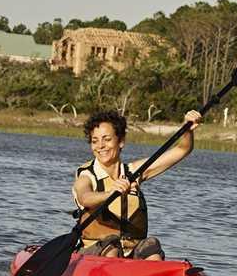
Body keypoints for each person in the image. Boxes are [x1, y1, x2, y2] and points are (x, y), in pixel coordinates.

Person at [72, 109, 202, 260]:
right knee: (111, 247)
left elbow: (182, 149)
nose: (100, 146)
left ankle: (155, 273)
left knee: (152, 247)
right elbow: (85, 198)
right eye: (95, 141)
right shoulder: (86, 175)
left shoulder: (133, 172)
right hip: (95, 253)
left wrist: (187, 129)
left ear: (121, 141)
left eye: (106, 139)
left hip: (131, 255)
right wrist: (110, 193)